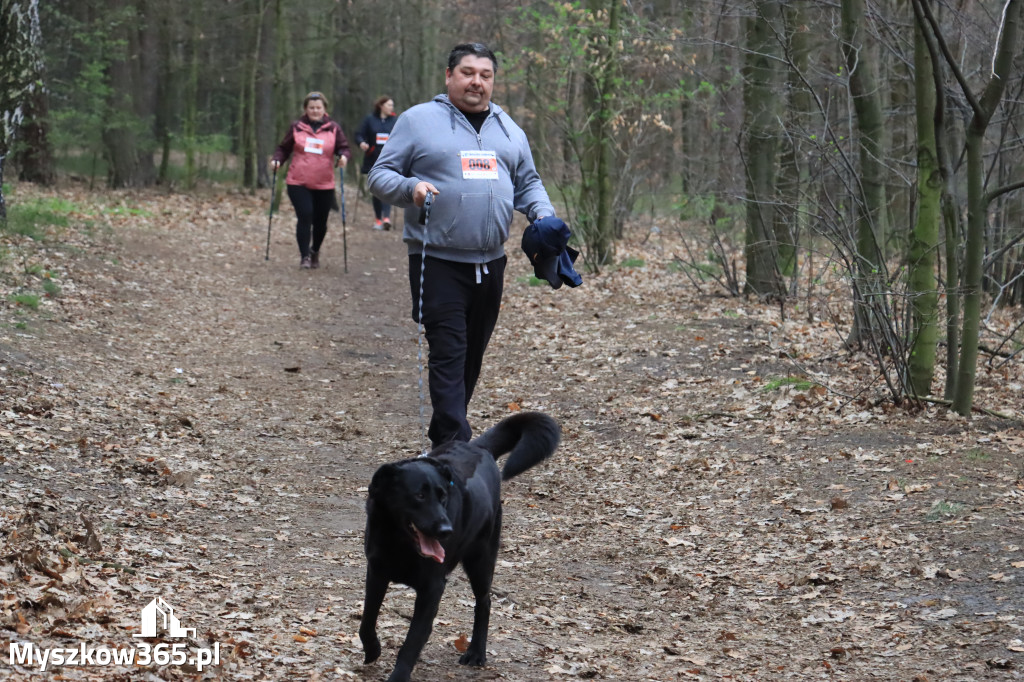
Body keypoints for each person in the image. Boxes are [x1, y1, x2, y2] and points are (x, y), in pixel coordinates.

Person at [367, 42, 561, 447]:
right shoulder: (418, 121)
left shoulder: (510, 129)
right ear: (449, 76)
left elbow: (528, 183)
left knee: (471, 358)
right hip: (436, 260)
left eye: (485, 75)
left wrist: (542, 214)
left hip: (491, 262)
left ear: (493, 81)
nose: (477, 82)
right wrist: (411, 187)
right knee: (448, 353)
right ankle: (456, 447)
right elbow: (379, 175)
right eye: (468, 73)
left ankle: (445, 439)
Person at [270, 91, 351, 269]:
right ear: (305, 109)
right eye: (311, 108)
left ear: (324, 109)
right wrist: (277, 160)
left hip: (324, 183)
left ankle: (315, 250)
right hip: (298, 181)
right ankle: (304, 256)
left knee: (321, 222)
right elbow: (283, 148)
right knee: (305, 215)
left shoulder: (334, 128)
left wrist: (343, 157)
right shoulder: (296, 127)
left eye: (318, 108)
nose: (315, 111)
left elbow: (344, 148)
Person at [355, 95, 397, 230]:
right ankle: (378, 218)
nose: (392, 108)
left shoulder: (395, 121)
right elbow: (358, 134)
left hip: (390, 159)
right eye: (389, 105)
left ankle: (387, 218)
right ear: (381, 106)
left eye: (392, 105)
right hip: (372, 158)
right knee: (376, 189)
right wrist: (362, 143)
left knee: (387, 187)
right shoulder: (370, 120)